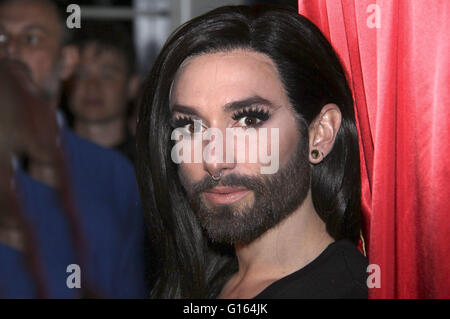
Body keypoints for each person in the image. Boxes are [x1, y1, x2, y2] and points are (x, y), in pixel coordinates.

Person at [136, 5, 368, 299]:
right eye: (191, 127)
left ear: (320, 133)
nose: (215, 160)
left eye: (248, 120)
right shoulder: (198, 283)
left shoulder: (348, 291)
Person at [0, 0, 147, 298]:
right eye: (0, 38)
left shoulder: (116, 176)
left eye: (31, 38)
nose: (10, 50)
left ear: (66, 61)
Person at [68, 22, 140, 163]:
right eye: (82, 74)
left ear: (132, 85)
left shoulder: (149, 168)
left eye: (107, 75)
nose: (92, 86)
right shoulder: (44, 162)